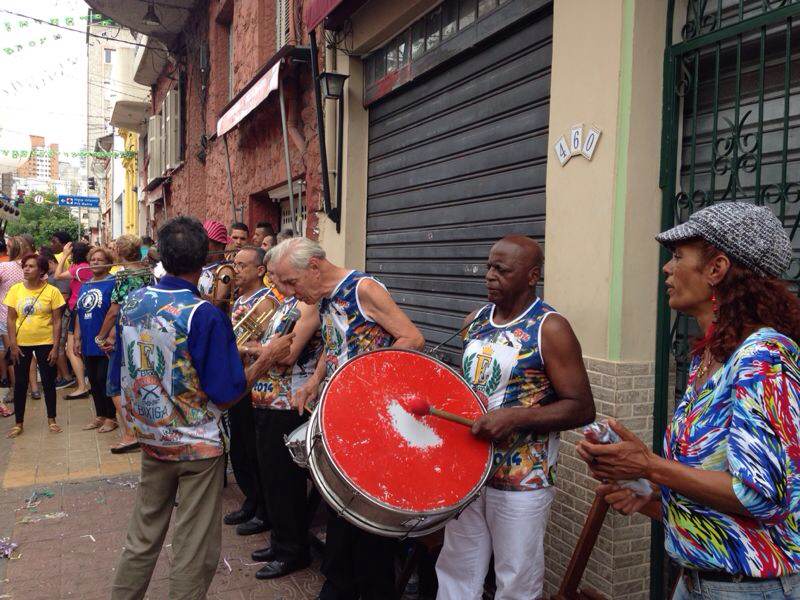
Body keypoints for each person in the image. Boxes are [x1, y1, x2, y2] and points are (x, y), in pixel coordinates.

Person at [577, 202, 800, 600]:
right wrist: (647, 492)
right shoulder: (707, 357)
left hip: (750, 590)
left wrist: (650, 465)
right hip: (697, 581)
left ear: (716, 268)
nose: (667, 268)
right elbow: (713, 496)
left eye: (678, 256)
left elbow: (762, 496)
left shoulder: (762, 356)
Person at [108, 216, 264, 600]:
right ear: (205, 261)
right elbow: (226, 392)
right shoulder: (203, 314)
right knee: (193, 551)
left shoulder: (132, 303)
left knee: (142, 538)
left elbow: (122, 370)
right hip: (197, 447)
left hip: (152, 438)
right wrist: (266, 360)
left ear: (159, 254)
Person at [435, 235, 595, 600]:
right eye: (489, 267)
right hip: (469, 470)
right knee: (457, 567)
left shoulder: (550, 328)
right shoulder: (475, 321)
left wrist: (516, 417)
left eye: (501, 270)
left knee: (516, 580)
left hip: (522, 478)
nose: (490, 276)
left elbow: (582, 406)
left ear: (531, 275)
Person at [272, 237, 425, 600]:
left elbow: (412, 339)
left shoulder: (364, 289)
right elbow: (336, 343)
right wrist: (314, 380)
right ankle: (339, 582)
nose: (291, 293)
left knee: (367, 515)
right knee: (339, 505)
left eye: (292, 282)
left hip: (374, 419)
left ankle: (367, 587)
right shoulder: (323, 298)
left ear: (314, 266)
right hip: (343, 414)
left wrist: (362, 378)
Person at [249, 247, 322, 580]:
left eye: (277, 273)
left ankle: (293, 550)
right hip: (264, 401)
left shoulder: (308, 306)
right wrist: (260, 349)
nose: (272, 278)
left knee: (286, 482)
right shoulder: (285, 305)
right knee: (271, 478)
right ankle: (281, 542)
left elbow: (286, 354)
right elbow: (268, 345)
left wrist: (252, 350)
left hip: (286, 404)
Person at [222, 246, 280, 537]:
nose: (235, 270)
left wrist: (237, 347)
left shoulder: (266, 302)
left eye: (242, 266)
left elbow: (265, 347)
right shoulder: (238, 297)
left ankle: (262, 508)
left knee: (252, 448)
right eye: (235, 264)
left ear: (260, 271)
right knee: (239, 447)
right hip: (237, 378)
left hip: (255, 382)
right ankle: (251, 499)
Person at [96, 235, 153, 454]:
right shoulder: (147, 271)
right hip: (146, 332)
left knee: (114, 385)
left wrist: (100, 336)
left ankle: (130, 434)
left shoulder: (123, 275)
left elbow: (113, 311)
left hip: (127, 334)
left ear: (119, 251)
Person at [4, 253, 66, 438]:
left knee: (48, 382)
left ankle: (52, 419)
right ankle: (18, 423)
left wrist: (56, 347)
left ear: (41, 271)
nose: (26, 269)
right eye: (25, 266)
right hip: (21, 344)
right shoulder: (15, 290)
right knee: (21, 384)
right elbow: (10, 319)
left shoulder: (52, 291)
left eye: (31, 266)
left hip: (45, 342)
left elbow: (57, 321)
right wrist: (13, 345)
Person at [73, 246, 117, 432]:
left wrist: (111, 335)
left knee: (103, 378)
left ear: (108, 263)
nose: (95, 262)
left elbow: (116, 311)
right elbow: (79, 311)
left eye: (100, 259)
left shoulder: (114, 282)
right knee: (93, 379)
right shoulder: (86, 284)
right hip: (88, 339)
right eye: (93, 259)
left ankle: (111, 417)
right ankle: (100, 415)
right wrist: (76, 336)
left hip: (105, 340)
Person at [54, 241, 92, 399]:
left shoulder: (79, 268)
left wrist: (64, 256)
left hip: (76, 309)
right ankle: (85, 383)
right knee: (80, 348)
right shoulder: (88, 267)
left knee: (71, 350)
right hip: (85, 308)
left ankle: (82, 386)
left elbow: (57, 275)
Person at [0, 236, 34, 412]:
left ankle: (16, 389)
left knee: (12, 355)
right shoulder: (32, 266)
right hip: (28, 314)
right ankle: (32, 387)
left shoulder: (4, 267)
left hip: (7, 315)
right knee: (28, 353)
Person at [40, 246, 74, 389]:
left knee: (59, 345)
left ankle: (66, 377)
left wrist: (52, 309)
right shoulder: (51, 275)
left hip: (61, 314)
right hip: (57, 315)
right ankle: (60, 375)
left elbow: (65, 296)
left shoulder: (57, 276)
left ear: (49, 261)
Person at [198, 220, 234, 311]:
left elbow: (216, 301)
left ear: (220, 246)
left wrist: (189, 290)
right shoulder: (201, 265)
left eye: (205, 242)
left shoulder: (226, 269)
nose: (200, 245)